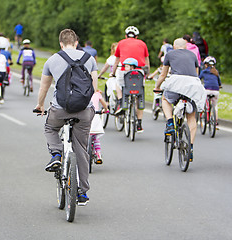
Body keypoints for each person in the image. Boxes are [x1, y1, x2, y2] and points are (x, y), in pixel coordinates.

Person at [34, 29, 98, 206]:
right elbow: (94, 87)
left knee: (50, 128)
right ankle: (82, 192)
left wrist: (40, 105)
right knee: (81, 149)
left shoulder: (52, 59)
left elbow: (44, 88)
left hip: (60, 109)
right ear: (76, 42)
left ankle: (56, 154)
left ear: (60, 44)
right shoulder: (89, 59)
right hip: (84, 110)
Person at [154, 38, 206, 162]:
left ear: (174, 46)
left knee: (165, 99)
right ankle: (190, 148)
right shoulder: (193, 55)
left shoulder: (170, 54)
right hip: (193, 84)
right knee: (191, 117)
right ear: (186, 47)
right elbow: (196, 74)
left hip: (176, 81)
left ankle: (170, 122)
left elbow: (163, 74)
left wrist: (157, 87)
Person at [111, 26, 150, 132]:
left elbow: (117, 60)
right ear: (136, 36)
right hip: (139, 71)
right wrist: (148, 74)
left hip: (125, 70)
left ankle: (120, 102)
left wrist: (113, 72)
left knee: (118, 84)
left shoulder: (121, 43)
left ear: (126, 35)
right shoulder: (142, 44)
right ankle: (139, 124)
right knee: (139, 94)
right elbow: (147, 61)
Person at [199, 56, 221, 123]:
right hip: (216, 90)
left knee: (203, 101)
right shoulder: (216, 72)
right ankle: (216, 120)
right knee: (215, 105)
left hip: (207, 90)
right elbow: (219, 82)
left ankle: (203, 112)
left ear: (206, 64)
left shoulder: (203, 72)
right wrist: (219, 86)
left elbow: (199, 79)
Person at [90, 90, 108, 163]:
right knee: (95, 138)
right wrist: (106, 109)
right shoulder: (97, 94)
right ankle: (98, 154)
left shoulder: (82, 92)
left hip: (85, 116)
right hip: (95, 116)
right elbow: (104, 104)